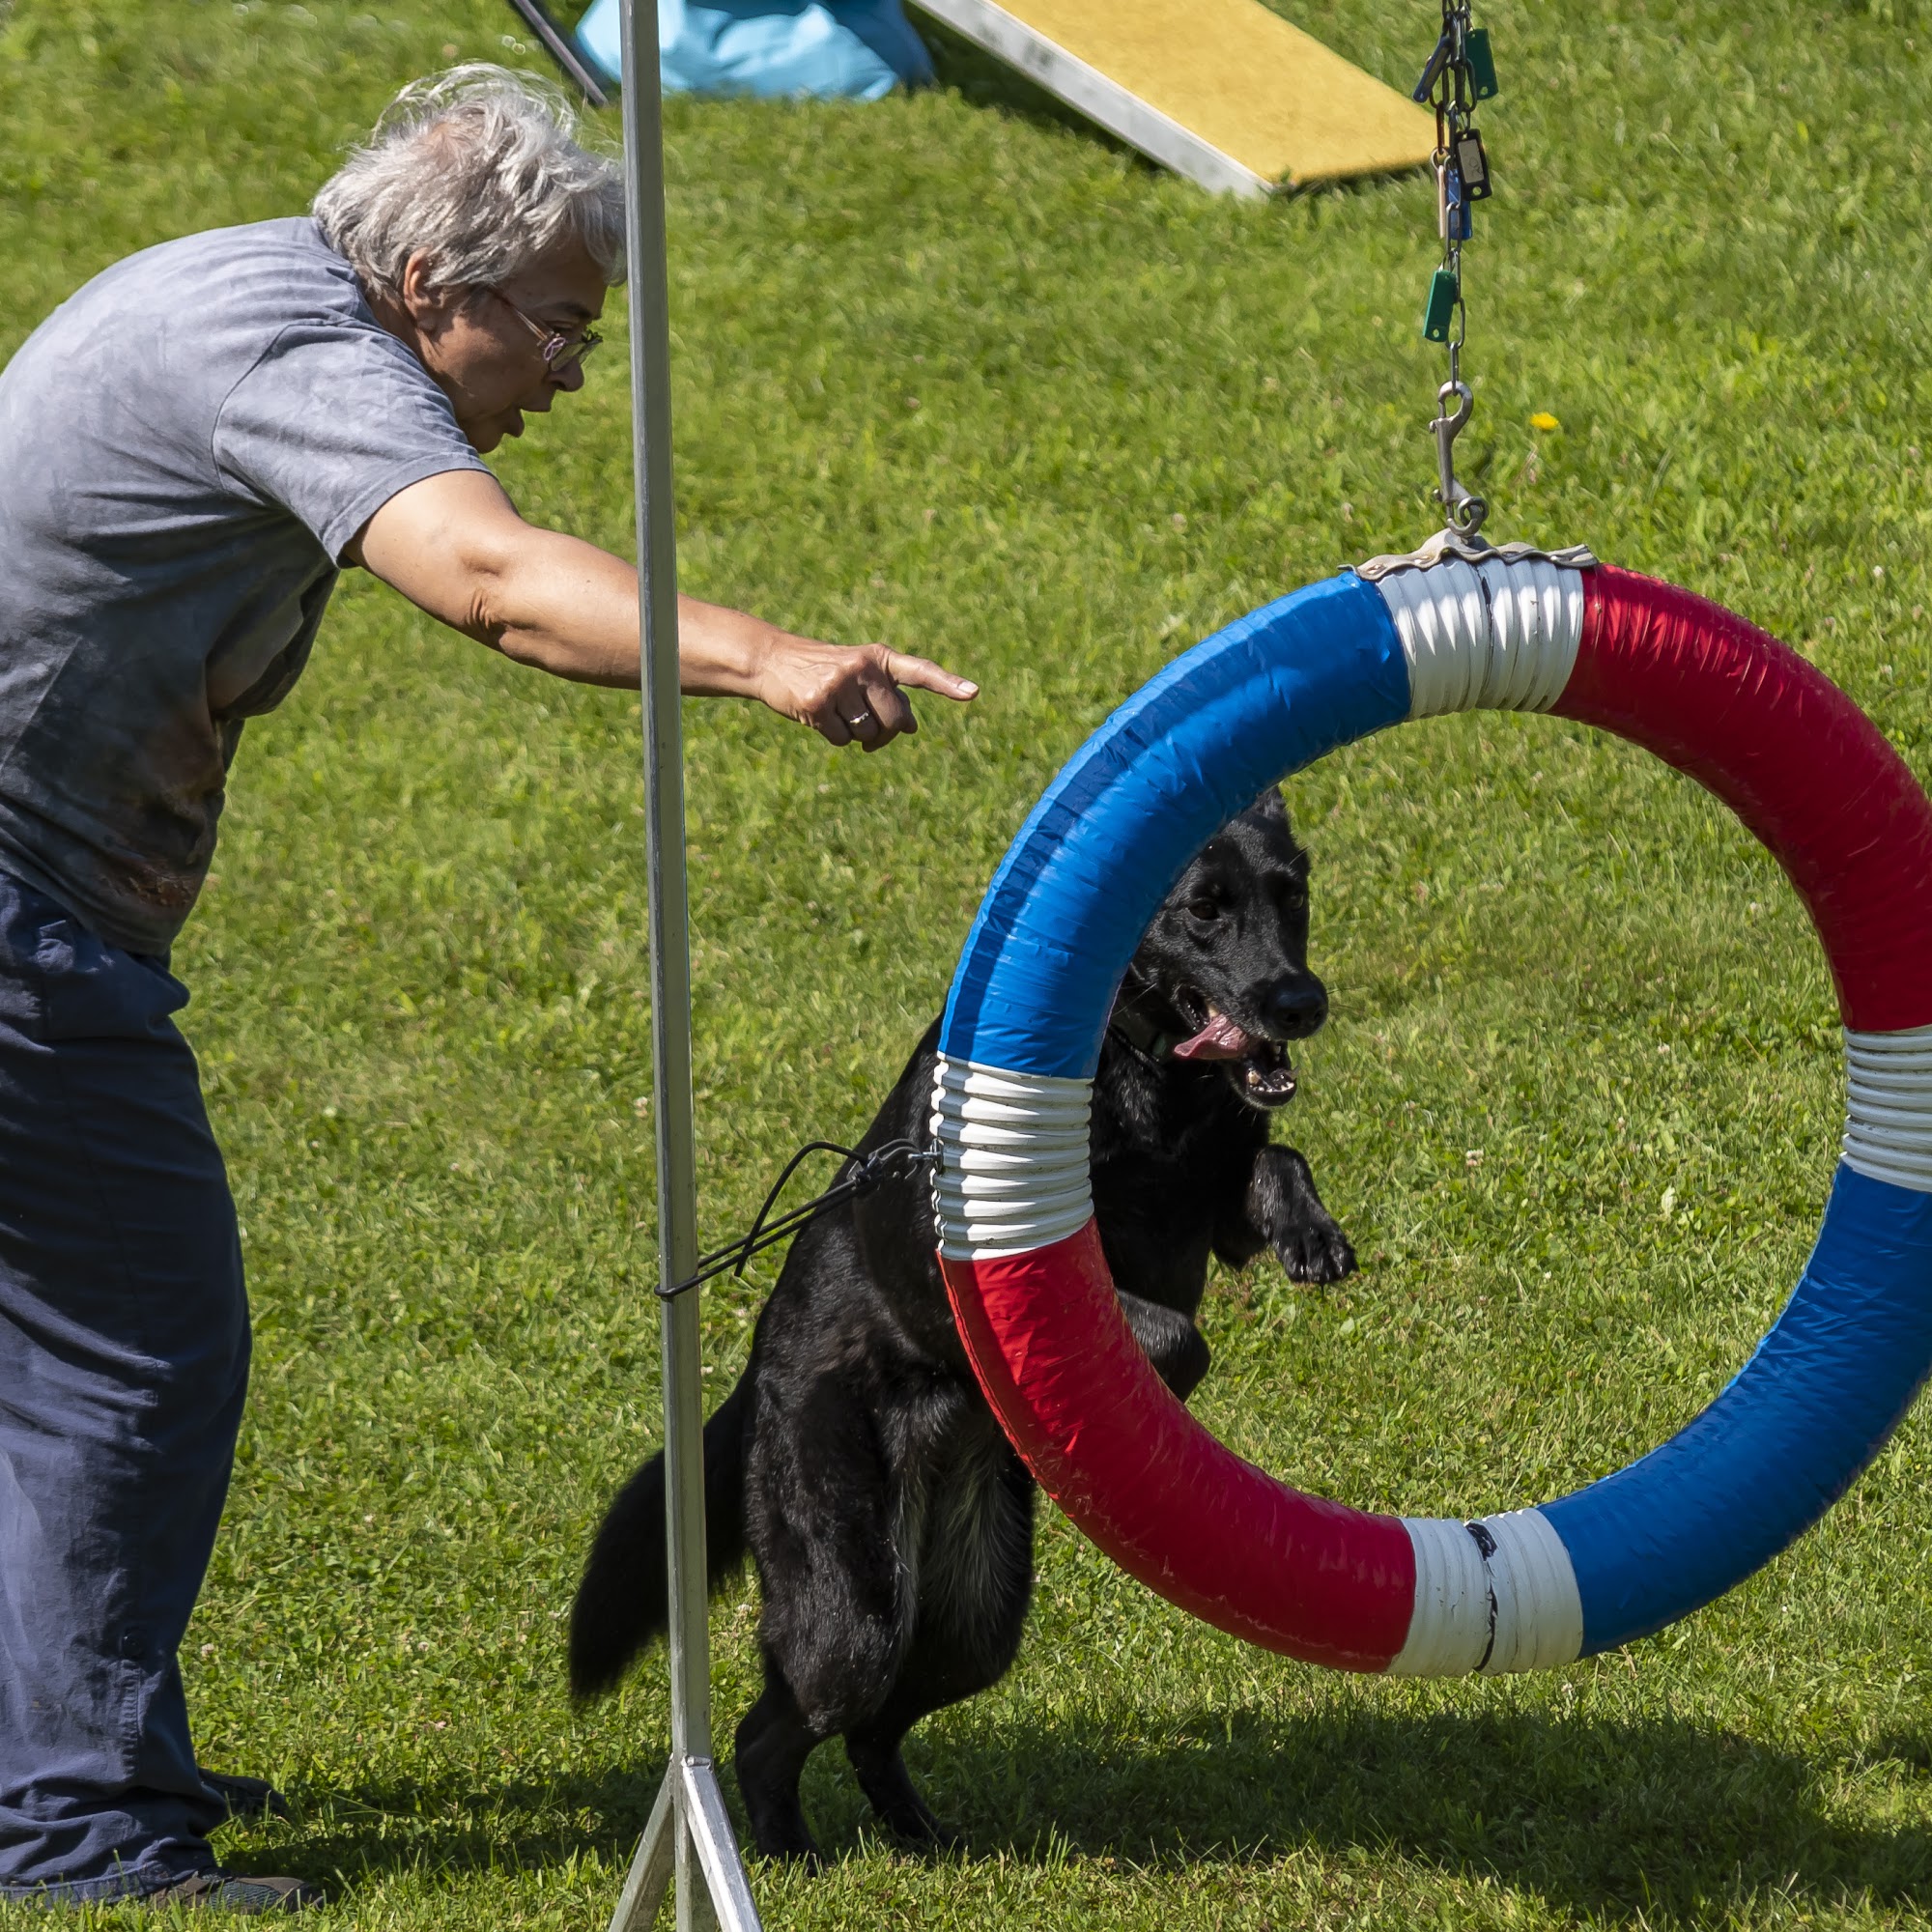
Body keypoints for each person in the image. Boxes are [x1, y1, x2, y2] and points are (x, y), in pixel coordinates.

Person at [0, 64, 975, 1912]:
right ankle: (73, 1823)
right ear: (432, 278)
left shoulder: (236, 279)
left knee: (61, 1360)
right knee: (132, 1355)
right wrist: (764, 656)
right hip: (17, 919)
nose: (569, 373)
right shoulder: (307, 361)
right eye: (557, 327)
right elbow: (497, 579)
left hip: (41, 906)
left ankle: (78, 1749)